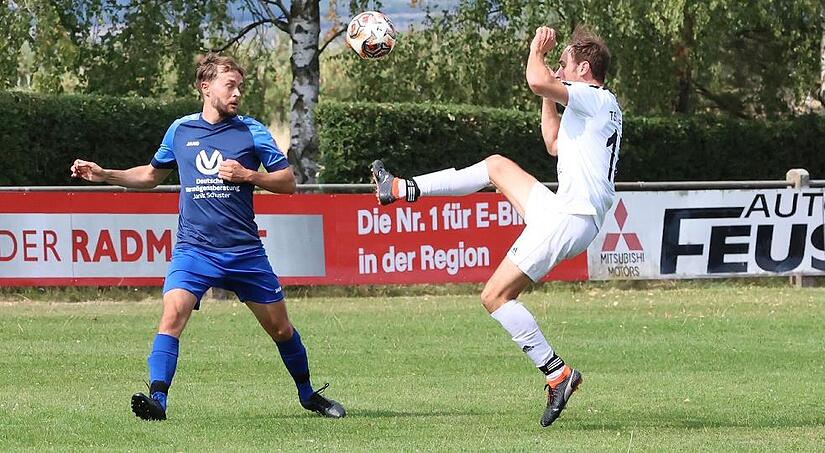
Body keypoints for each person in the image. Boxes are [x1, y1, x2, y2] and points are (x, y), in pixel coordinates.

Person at [70, 54, 345, 421]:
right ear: (206, 87)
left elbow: (288, 182)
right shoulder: (181, 130)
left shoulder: (252, 131)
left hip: (245, 252)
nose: (237, 94)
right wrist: (105, 174)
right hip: (194, 250)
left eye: (239, 87)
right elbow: (151, 176)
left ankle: (308, 394)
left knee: (281, 329)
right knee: (172, 315)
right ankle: (158, 400)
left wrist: (250, 175)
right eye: (229, 86)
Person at [371, 25, 621, 427]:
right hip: (567, 212)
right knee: (496, 166)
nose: (558, 69)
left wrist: (537, 52)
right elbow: (552, 142)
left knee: (494, 296)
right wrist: (549, 93)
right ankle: (399, 187)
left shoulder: (593, 97)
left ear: (585, 67)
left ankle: (556, 374)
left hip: (570, 216)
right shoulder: (594, 104)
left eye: (565, 64)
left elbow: (536, 78)